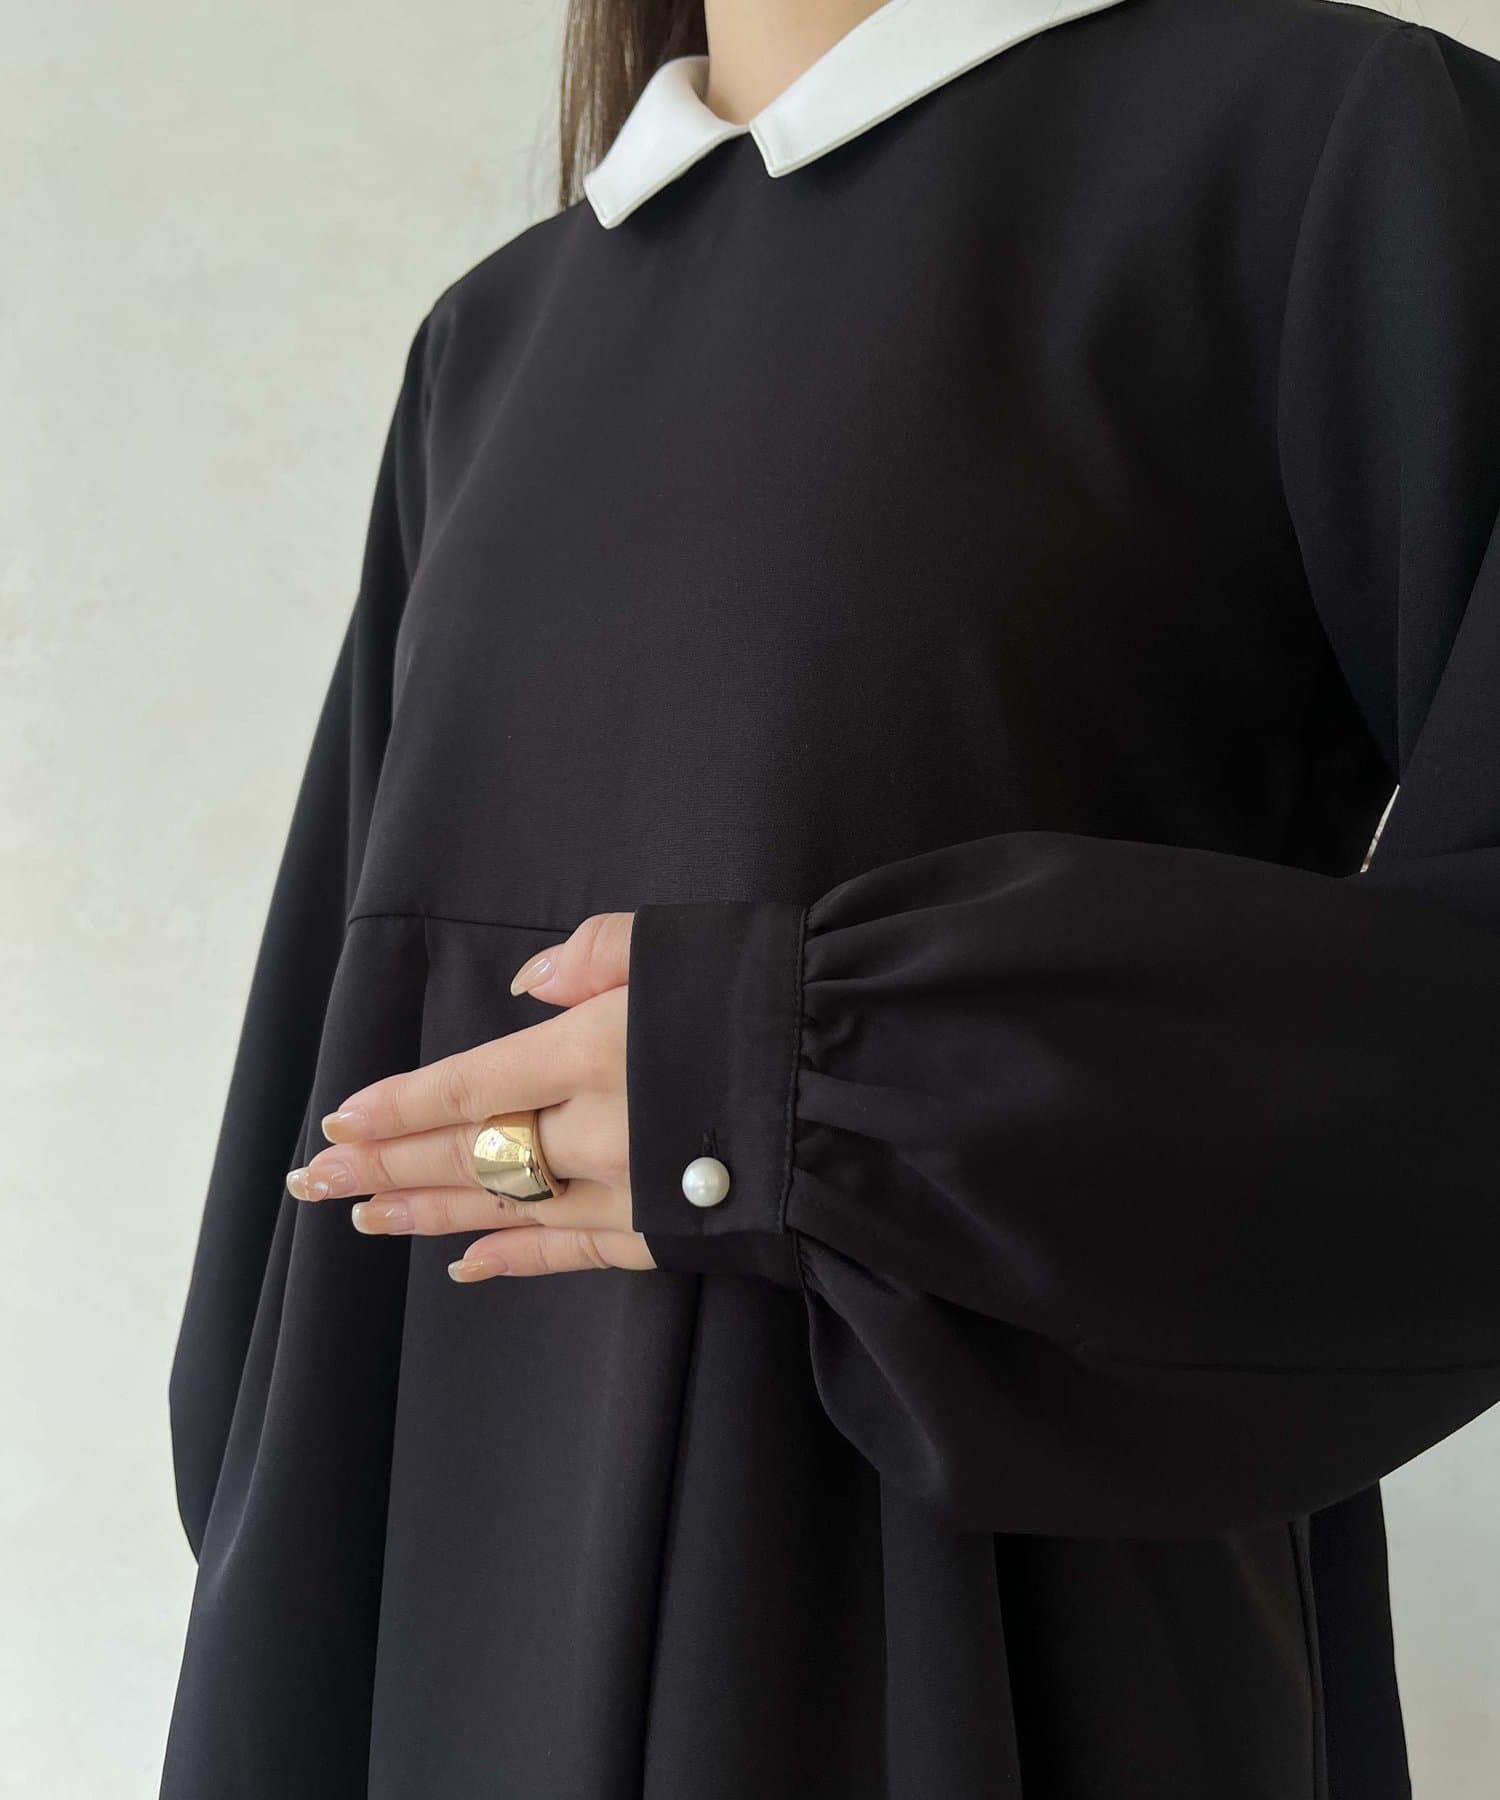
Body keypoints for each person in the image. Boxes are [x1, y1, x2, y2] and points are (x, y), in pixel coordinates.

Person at [159, 0, 1500, 1794]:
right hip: (434, 1651)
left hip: (986, 1663)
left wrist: (810, 1088)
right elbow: (305, 1197)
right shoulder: (491, 341)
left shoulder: (1330, 151)